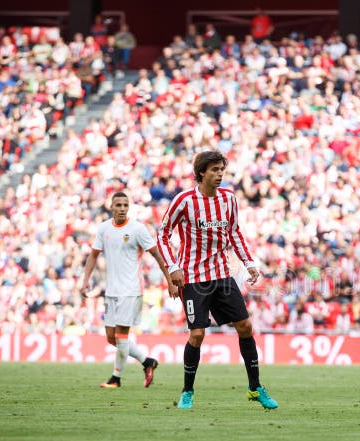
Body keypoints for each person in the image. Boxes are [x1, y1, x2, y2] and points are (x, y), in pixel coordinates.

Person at [157, 150, 278, 410]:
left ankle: (255, 388)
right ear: (202, 172)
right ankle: (187, 391)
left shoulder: (228, 199)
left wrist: (249, 263)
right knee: (197, 335)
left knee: (245, 326)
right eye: (214, 170)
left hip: (222, 274)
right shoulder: (185, 200)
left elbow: (234, 233)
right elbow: (163, 234)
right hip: (193, 277)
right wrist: (173, 267)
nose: (220, 174)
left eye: (222, 169)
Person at [80, 191, 177, 388]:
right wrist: (85, 280)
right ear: (112, 207)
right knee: (111, 338)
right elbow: (93, 255)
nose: (122, 208)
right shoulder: (104, 229)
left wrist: (170, 281)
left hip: (131, 290)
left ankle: (116, 379)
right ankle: (148, 361)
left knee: (121, 336)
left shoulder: (137, 229)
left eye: (125, 205)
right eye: (119, 205)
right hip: (112, 291)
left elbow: (157, 255)